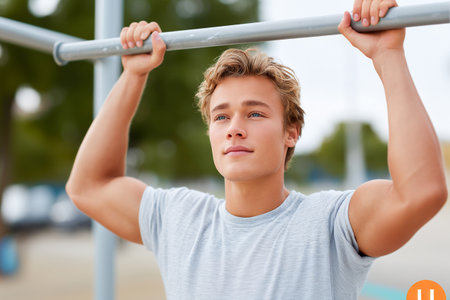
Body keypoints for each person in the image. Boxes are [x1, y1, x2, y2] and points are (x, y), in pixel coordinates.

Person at [66, 0, 447, 299]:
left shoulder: (331, 224)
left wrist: (388, 56)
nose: (234, 129)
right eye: (220, 117)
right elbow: (88, 185)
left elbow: (421, 192)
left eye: (255, 113)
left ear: (291, 133)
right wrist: (133, 75)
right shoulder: (180, 220)